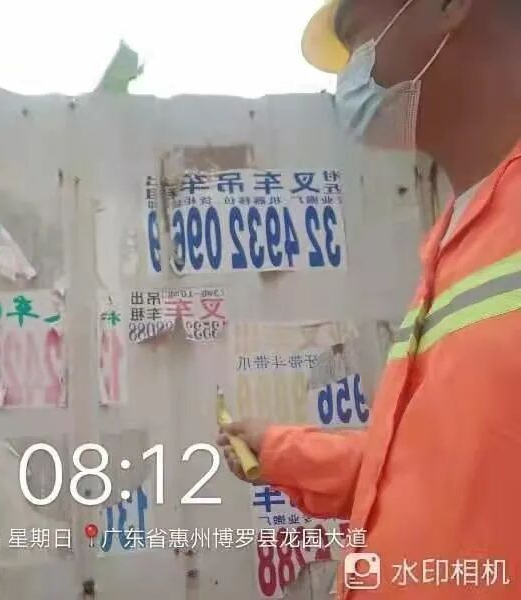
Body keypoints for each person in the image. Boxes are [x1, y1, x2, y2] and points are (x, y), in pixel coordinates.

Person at [217, 0, 521, 597]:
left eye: (358, 39)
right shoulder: (451, 242)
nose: (348, 77)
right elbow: (428, 472)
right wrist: (279, 449)